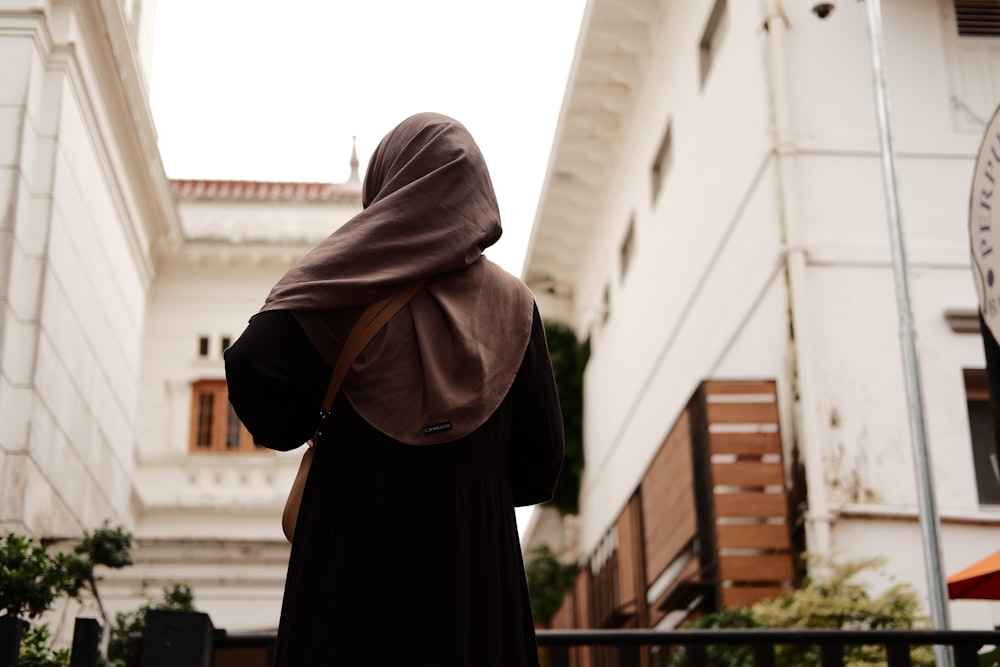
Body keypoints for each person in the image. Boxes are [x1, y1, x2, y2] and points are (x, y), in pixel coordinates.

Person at [224, 112, 565, 666]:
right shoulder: (515, 305)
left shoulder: (342, 280)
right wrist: (462, 479)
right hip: (472, 570)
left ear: (386, 184)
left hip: (350, 554)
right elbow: (540, 461)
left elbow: (258, 373)